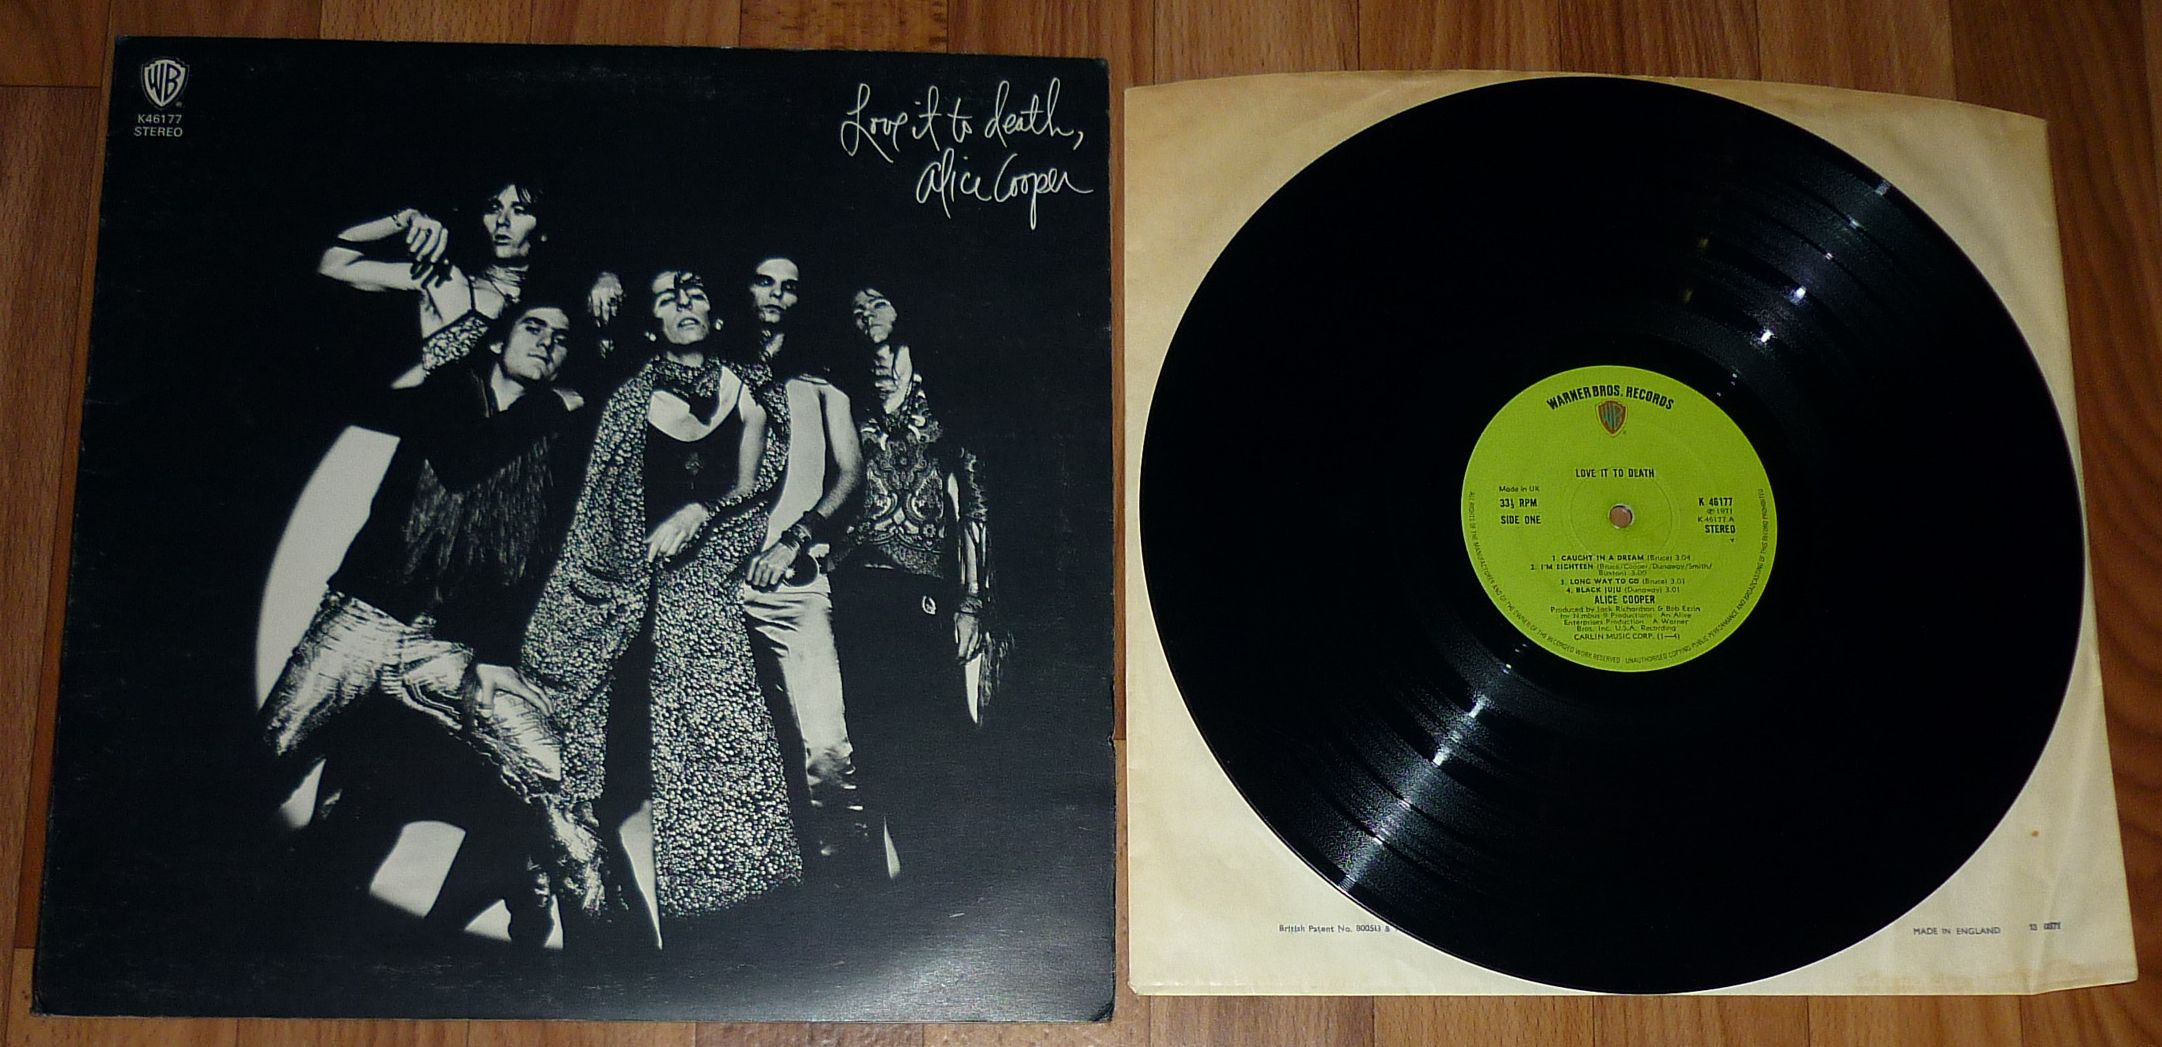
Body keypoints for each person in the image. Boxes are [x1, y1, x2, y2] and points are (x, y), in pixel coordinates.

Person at [256, 297, 604, 938]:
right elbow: (463, 457)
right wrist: (554, 405)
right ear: (498, 340)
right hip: (364, 619)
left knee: (557, 774)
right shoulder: (450, 393)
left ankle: (606, 960)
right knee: (268, 760)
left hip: (448, 646)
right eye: (533, 327)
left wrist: (496, 651)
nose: (547, 342)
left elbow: (531, 557)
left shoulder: (553, 441)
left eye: (561, 338)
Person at [522, 267, 802, 938]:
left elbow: (751, 491)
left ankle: (749, 921)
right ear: (651, 326)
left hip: (707, 584)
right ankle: (571, 909)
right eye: (667, 299)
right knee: (587, 753)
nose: (683, 304)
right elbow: (599, 513)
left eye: (695, 293)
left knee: (728, 737)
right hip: (629, 589)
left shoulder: (749, 388)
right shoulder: (628, 400)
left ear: (717, 315)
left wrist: (699, 516)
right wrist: (625, 582)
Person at [831, 286, 1005, 883]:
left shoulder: (946, 396)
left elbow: (976, 504)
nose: (865, 315)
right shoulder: (846, 396)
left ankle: (942, 870)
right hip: (855, 582)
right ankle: (888, 874)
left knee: (931, 728)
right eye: (856, 307)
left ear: (905, 305)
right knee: (866, 727)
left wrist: (973, 601)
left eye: (876, 301)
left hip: (924, 588)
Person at [735, 256, 873, 869]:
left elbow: (850, 476)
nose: (776, 295)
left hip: (794, 583)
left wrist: (794, 539)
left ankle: (848, 884)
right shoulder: (717, 375)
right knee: (738, 751)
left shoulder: (821, 384)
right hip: (716, 587)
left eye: (789, 287)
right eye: (764, 281)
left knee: (826, 747)